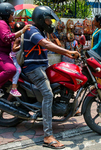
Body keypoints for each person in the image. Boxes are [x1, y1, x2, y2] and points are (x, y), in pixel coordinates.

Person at [23, 6, 80, 149]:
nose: (50, 23)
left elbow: (51, 43)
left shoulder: (42, 31)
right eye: (48, 20)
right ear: (41, 20)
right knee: (48, 95)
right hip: (33, 69)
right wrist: (67, 52)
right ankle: (48, 136)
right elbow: (46, 44)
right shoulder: (32, 31)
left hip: (42, 67)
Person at [0, 2, 31, 99]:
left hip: (2, 53)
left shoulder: (4, 24)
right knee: (11, 69)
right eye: (12, 15)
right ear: (6, 14)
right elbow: (6, 38)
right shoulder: (0, 23)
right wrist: (22, 31)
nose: (13, 17)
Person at [9, 22, 26, 97]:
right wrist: (22, 46)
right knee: (18, 69)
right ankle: (13, 88)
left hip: (18, 57)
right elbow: (14, 49)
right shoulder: (18, 38)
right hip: (14, 57)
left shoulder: (19, 36)